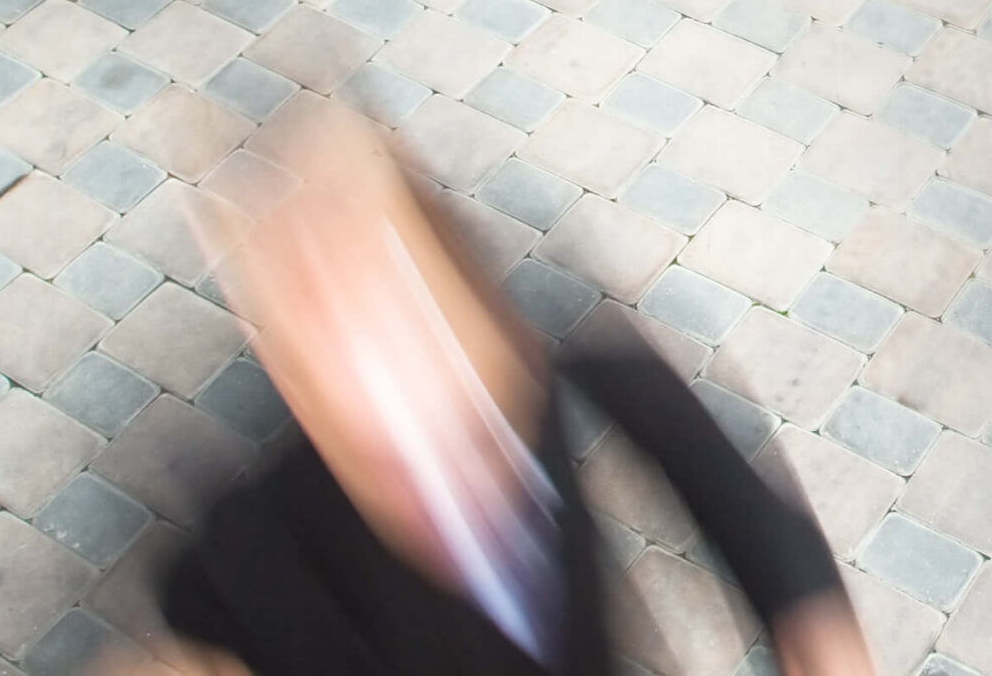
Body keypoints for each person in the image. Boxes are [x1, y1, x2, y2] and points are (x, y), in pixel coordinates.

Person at [97, 107, 876, 676]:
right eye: (304, 314)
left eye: (379, 277)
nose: (361, 348)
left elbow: (731, 489)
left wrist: (809, 610)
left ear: (456, 271)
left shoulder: (564, 366)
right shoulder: (251, 559)